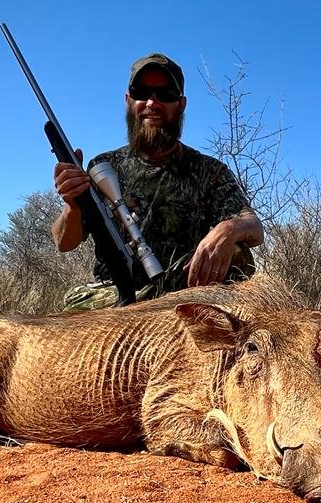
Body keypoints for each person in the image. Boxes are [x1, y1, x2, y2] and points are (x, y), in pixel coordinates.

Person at [52, 53, 264, 311]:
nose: (153, 102)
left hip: (184, 292)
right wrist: (72, 205)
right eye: (143, 92)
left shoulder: (209, 170)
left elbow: (254, 227)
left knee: (239, 254)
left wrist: (229, 228)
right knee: (75, 304)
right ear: (129, 101)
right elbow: (65, 243)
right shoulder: (102, 167)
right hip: (118, 293)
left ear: (181, 104)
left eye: (166, 94)